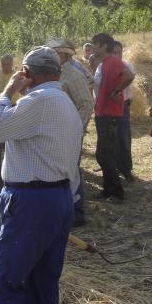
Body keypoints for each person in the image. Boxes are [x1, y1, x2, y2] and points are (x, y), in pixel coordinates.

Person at [0, 46, 82, 304]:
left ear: (26, 73)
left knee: (4, 288)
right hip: (59, 198)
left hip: (32, 202)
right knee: (41, 285)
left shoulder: (39, 101)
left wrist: (7, 92)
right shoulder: (65, 102)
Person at [47, 37, 94, 227]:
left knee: (72, 171)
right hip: (55, 132)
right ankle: (63, 210)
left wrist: (76, 128)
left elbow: (87, 103)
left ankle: (77, 213)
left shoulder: (73, 75)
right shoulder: (53, 74)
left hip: (69, 132)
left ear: (64, 55)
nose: (50, 57)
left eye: (54, 54)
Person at [91, 33, 135, 202]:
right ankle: (108, 189)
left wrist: (117, 91)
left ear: (103, 46)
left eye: (96, 44)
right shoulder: (104, 63)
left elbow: (129, 76)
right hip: (103, 113)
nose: (94, 47)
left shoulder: (113, 61)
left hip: (110, 115)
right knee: (103, 154)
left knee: (105, 154)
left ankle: (116, 192)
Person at [112, 40, 135, 182]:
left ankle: (126, 169)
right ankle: (114, 167)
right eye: (114, 52)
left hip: (123, 105)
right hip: (110, 106)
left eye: (119, 52)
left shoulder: (127, 67)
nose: (117, 55)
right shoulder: (105, 67)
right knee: (112, 138)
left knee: (124, 138)